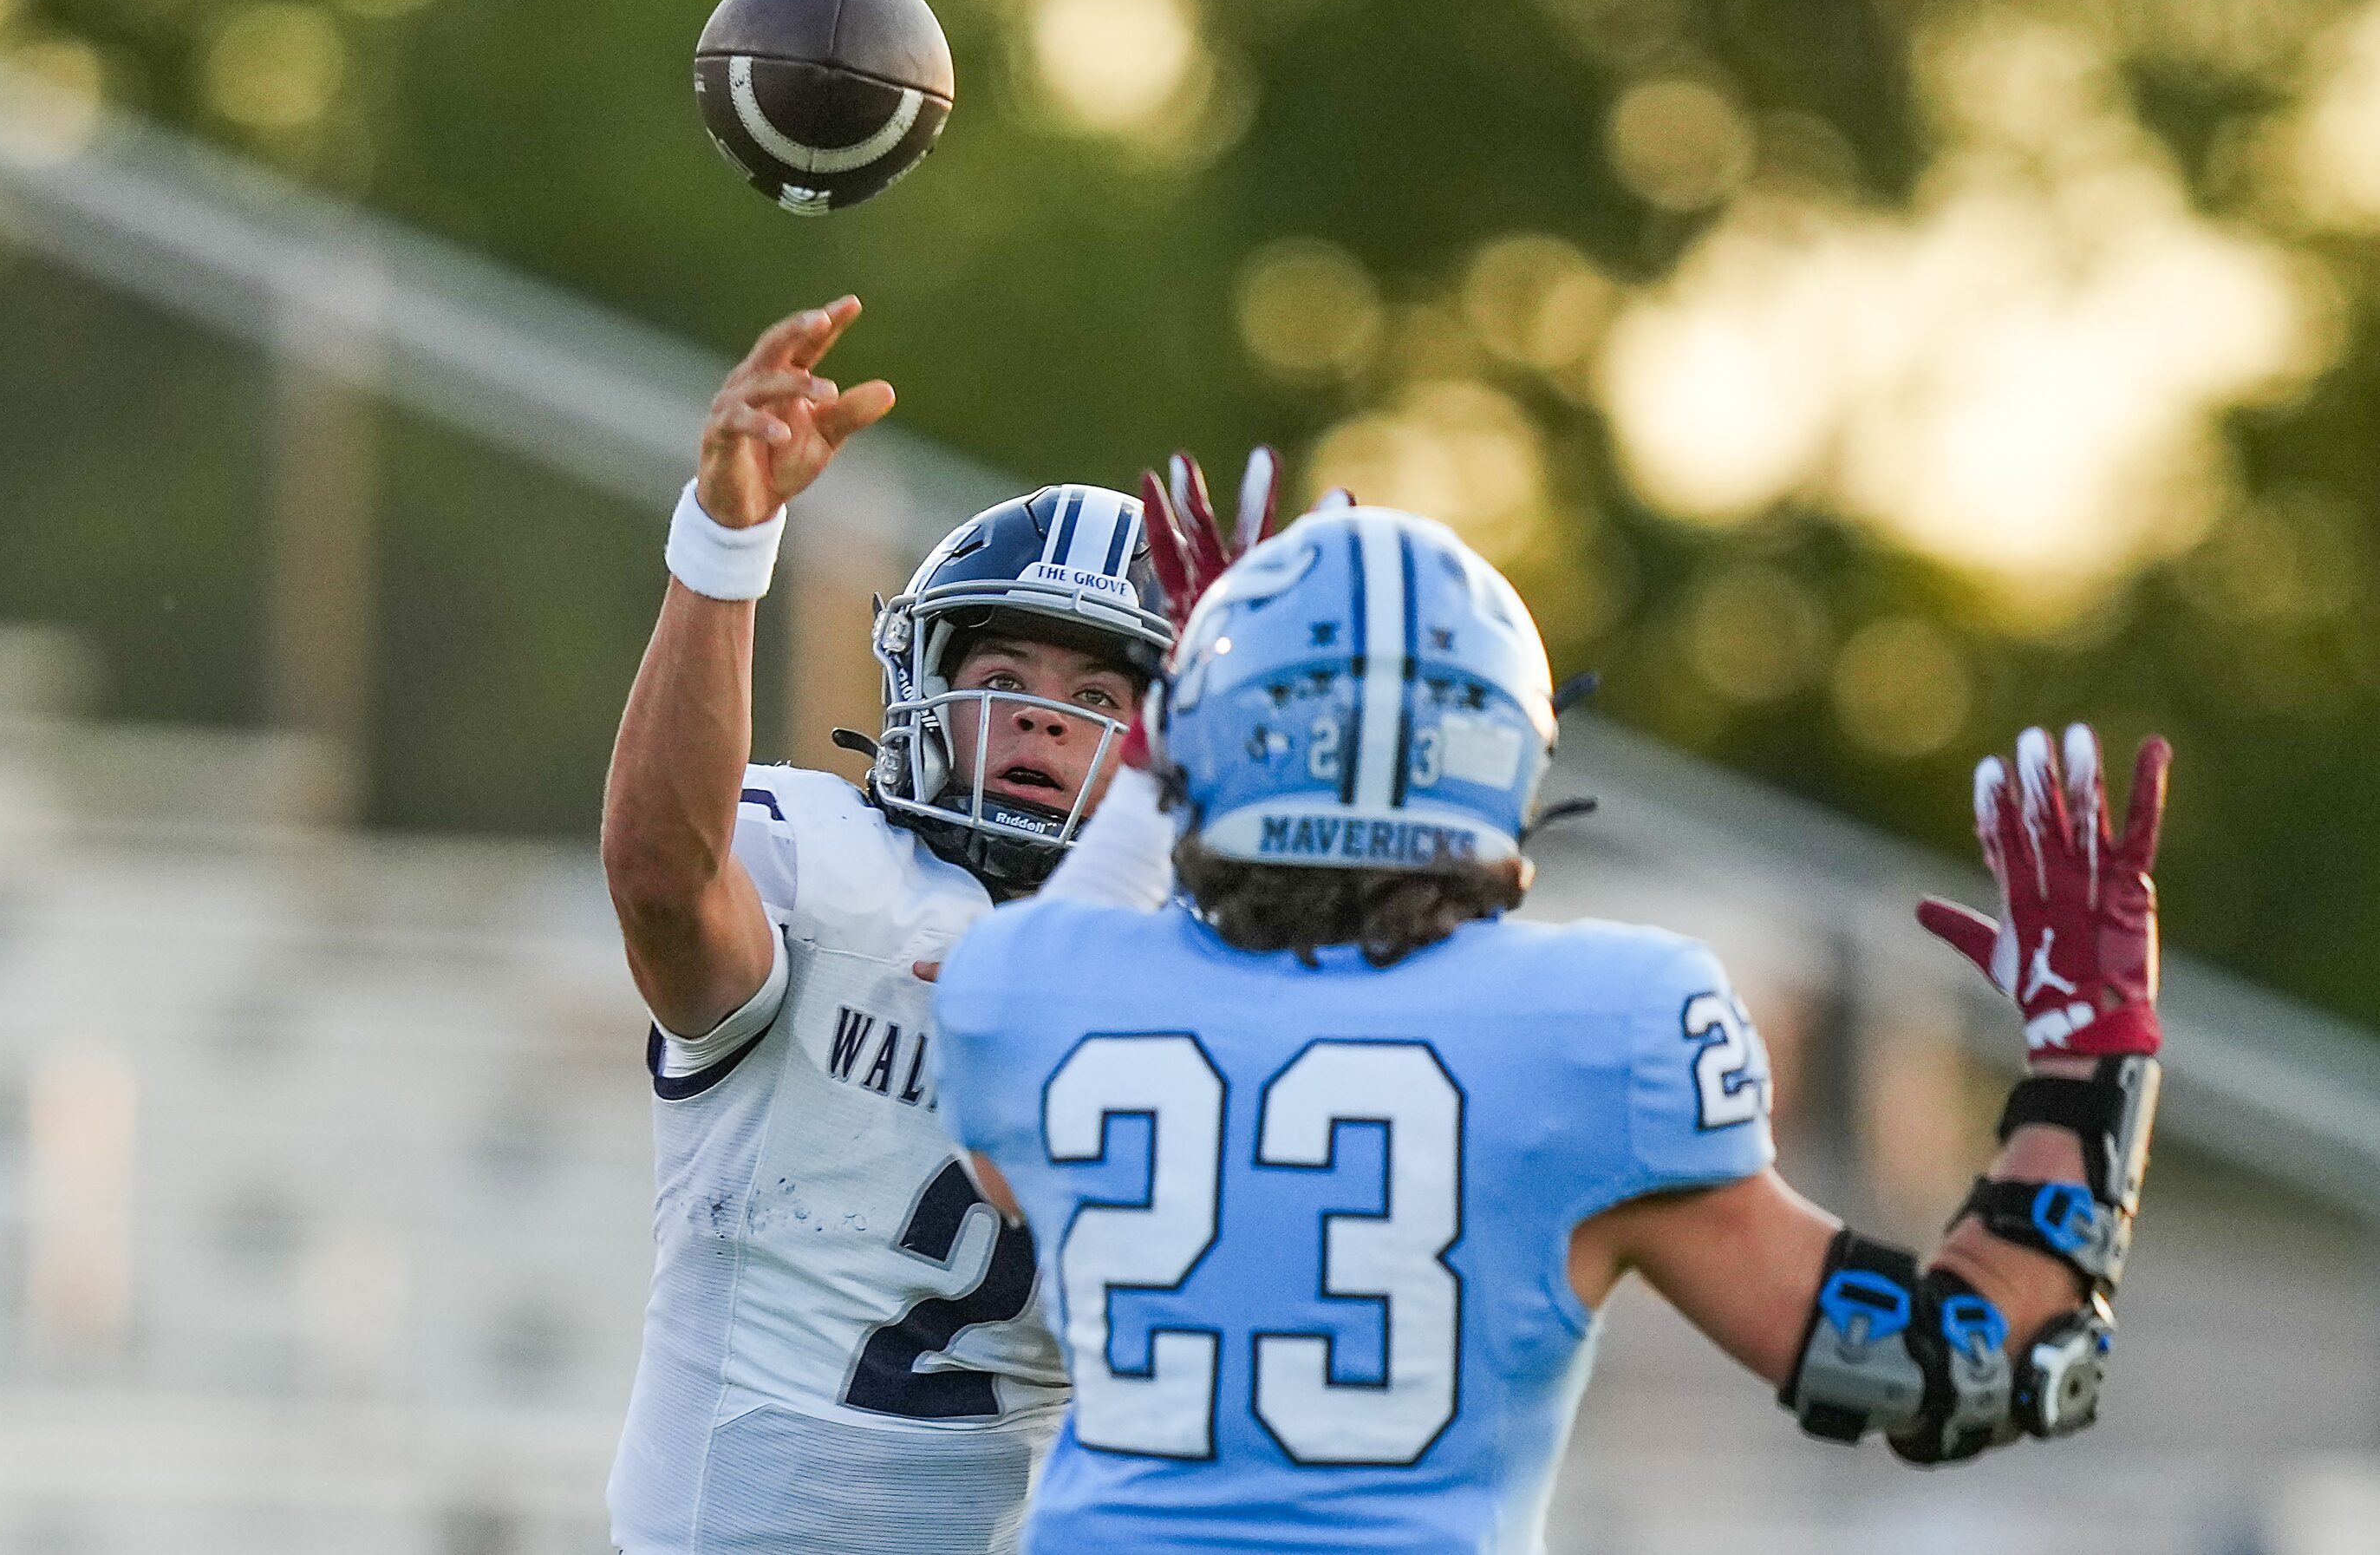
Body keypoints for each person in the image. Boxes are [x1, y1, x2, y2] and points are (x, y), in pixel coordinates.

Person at [929, 501, 2168, 1553]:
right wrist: (2089, 1054)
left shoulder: (1026, 989)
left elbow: (1051, 1103)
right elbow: (1946, 1371)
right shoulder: (1598, 1030)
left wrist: (1185, 726)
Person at [598, 297, 1244, 1554]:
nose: (1045, 722)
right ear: (924, 691)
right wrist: (727, 539)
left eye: (1100, 693)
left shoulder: (1209, 980)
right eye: (1002, 681)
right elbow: (663, 881)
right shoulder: (827, 867)